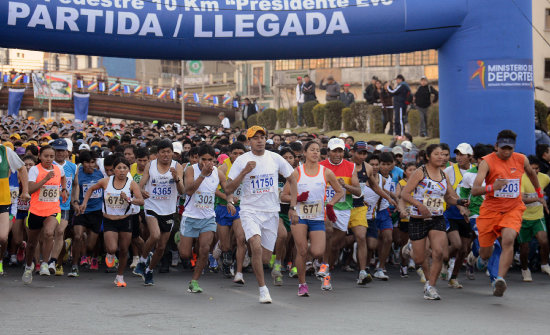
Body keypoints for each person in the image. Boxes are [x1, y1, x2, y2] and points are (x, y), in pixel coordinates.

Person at [225, 126, 298, 304]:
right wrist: (243, 173)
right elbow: (227, 188)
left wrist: (293, 207)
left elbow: (293, 178)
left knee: (265, 258)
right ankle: (263, 289)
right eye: (255, 138)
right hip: (250, 210)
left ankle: (252, 254)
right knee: (256, 246)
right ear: (249, 141)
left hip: (271, 212)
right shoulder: (242, 160)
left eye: (262, 137)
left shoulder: (275, 158)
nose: (259, 140)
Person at [472, 130, 542, 297]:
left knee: (509, 239)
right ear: (496, 146)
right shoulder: (487, 162)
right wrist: (492, 187)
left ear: (514, 148)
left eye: (509, 148)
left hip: (513, 208)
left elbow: (532, 174)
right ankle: (480, 259)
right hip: (490, 210)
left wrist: (539, 193)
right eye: (503, 148)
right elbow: (475, 190)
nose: (506, 151)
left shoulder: (521, 159)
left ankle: (500, 280)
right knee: (485, 252)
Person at [401, 144, 468, 300]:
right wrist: (419, 205)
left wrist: (461, 204)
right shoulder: (420, 173)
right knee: (419, 258)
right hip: (418, 219)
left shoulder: (444, 176)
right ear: (428, 156)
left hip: (437, 218)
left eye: (443, 155)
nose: (441, 157)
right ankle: (412, 247)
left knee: (439, 253)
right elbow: (405, 193)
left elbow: (449, 197)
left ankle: (431, 286)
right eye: (437, 154)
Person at [284, 141, 343, 296]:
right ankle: (302, 285)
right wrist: (297, 198)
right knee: (302, 250)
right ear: (305, 152)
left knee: (317, 251)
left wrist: (330, 204)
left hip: (317, 216)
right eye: (312, 150)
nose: (315, 153)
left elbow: (339, 192)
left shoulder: (326, 172)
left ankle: (313, 261)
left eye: (318, 150)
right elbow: (283, 195)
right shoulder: (297, 172)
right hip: (299, 215)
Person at [179, 144, 236, 293]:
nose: (207, 163)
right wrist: (202, 175)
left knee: (204, 249)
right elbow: (189, 191)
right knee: (185, 254)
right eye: (203, 159)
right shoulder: (191, 169)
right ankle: (180, 238)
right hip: (191, 216)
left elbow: (228, 189)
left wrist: (229, 201)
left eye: (210, 160)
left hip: (208, 217)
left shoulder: (218, 173)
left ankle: (194, 281)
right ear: (197, 158)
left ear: (215, 160)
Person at [80, 157, 144, 287]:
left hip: (125, 219)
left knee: (124, 250)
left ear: (128, 170)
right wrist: (84, 203)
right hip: (109, 220)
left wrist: (129, 199)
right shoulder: (106, 181)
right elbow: (91, 189)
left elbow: (141, 201)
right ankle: (110, 254)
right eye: (119, 168)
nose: (121, 171)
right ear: (113, 170)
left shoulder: (131, 184)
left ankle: (119, 277)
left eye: (124, 168)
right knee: (112, 248)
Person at [135, 139, 185, 286]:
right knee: (155, 235)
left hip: (169, 210)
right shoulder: (151, 165)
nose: (165, 154)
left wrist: (176, 179)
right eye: (162, 152)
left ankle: (149, 271)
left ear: (172, 153)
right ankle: (143, 261)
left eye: (168, 152)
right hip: (152, 206)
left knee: (162, 246)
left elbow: (182, 191)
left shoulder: (177, 166)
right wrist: (142, 191)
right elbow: (141, 183)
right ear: (158, 154)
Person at [22, 145, 68, 284]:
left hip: (53, 209)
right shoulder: (35, 170)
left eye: (51, 156)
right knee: (31, 244)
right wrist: (45, 179)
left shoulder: (58, 168)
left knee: (49, 233)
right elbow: (29, 189)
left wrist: (64, 189)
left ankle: (45, 263)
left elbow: (63, 178)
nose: (49, 159)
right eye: (46, 156)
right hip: (36, 210)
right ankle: (29, 266)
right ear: (40, 156)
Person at [214, 142, 247, 283]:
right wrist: (228, 198)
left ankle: (239, 272)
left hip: (240, 208)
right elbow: (214, 189)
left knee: (241, 238)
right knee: (226, 245)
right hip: (223, 208)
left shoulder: (248, 167)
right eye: (235, 153)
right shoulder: (223, 168)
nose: (238, 156)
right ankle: (225, 257)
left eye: (241, 153)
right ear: (230, 154)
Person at [442, 143, 474, 288]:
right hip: (451, 213)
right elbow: (447, 191)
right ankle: (443, 260)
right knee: (456, 244)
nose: (459, 157)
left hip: (468, 215)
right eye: (457, 154)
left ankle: (453, 277)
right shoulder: (449, 170)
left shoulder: (476, 171)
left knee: (464, 249)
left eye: (462, 154)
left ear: (470, 157)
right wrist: (458, 206)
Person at [70, 150, 105, 277]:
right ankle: (74, 266)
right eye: (87, 162)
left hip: (96, 212)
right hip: (82, 211)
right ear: (82, 163)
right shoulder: (78, 175)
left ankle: (89, 253)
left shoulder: (100, 175)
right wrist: (75, 204)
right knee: (78, 236)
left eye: (92, 162)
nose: (90, 165)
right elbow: (74, 190)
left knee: (90, 245)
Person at [518, 156, 550, 281]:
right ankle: (525, 269)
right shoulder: (521, 179)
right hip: (523, 218)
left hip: (538, 217)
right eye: (532, 169)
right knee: (524, 249)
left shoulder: (545, 178)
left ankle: (544, 264)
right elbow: (521, 199)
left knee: (544, 241)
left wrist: (545, 196)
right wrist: (537, 198)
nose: (535, 171)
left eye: (537, 168)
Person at [0, 143, 29, 276]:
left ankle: (0, 260)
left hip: (3, 201)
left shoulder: (6, 151)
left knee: (3, 237)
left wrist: (25, 191)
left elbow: (22, 168)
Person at [51, 138, 77, 276]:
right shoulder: (49, 165)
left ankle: (58, 264)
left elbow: (76, 185)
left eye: (62, 150)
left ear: (67, 152)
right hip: (50, 205)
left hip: (65, 206)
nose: (59, 153)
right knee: (51, 235)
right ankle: (51, 260)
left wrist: (75, 200)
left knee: (60, 232)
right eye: (57, 150)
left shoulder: (73, 167)